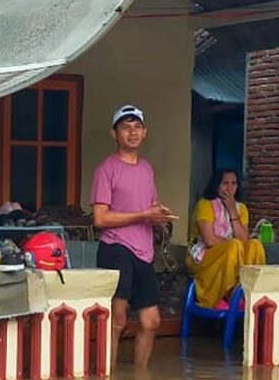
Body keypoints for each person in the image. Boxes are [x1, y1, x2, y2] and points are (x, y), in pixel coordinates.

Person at [90, 105, 177, 366]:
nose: (132, 132)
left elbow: (149, 205)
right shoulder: (106, 169)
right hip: (115, 249)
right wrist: (143, 215)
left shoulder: (147, 169)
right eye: (126, 127)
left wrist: (159, 214)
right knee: (116, 323)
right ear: (114, 133)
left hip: (144, 251)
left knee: (151, 322)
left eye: (137, 127)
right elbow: (100, 219)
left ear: (145, 132)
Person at [187, 168, 265, 309]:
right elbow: (210, 240)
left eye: (233, 184)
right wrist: (234, 245)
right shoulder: (205, 204)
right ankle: (226, 295)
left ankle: (249, 293)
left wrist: (232, 211)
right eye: (225, 183)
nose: (229, 188)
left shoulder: (241, 208)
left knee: (255, 245)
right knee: (234, 245)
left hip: (233, 253)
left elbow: (245, 240)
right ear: (216, 185)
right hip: (203, 255)